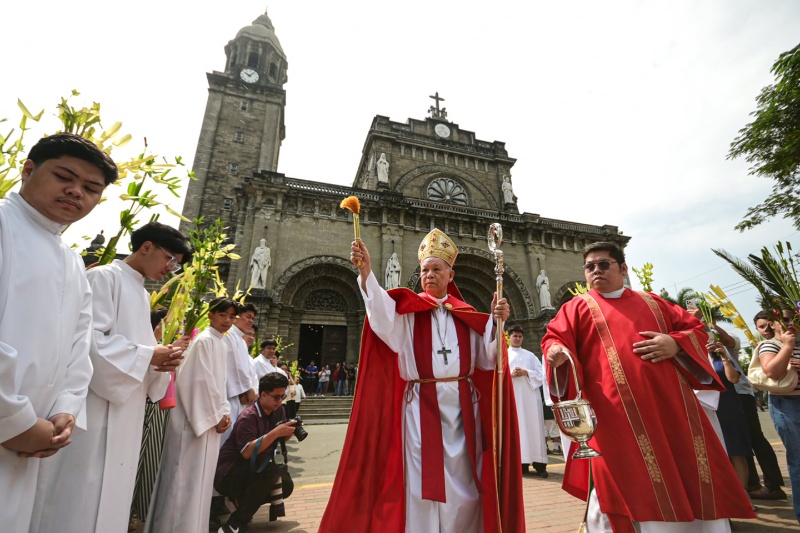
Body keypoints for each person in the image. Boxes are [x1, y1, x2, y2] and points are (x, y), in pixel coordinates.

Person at [320, 228, 524, 533]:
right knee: (420, 484)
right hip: (419, 411)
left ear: (450, 275)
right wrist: (366, 273)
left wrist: (498, 323)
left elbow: (487, 359)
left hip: (462, 411)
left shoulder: (467, 316)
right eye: (425, 269)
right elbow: (380, 313)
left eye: (436, 269)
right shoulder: (407, 314)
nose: (429, 274)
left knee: (464, 484)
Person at [543, 241, 754, 532]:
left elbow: (696, 331)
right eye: (590, 267)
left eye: (604, 264)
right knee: (619, 480)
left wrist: (675, 344)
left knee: (686, 469)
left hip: (670, 407)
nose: (596, 271)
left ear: (623, 268)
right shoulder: (577, 308)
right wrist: (554, 351)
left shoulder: (653, 303)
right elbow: (554, 338)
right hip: (613, 415)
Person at [31, 222, 190, 532]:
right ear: (146, 247)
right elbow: (88, 342)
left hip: (125, 408)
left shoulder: (140, 293)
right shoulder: (103, 277)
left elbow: (136, 349)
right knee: (80, 497)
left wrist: (159, 361)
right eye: (170, 259)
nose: (170, 269)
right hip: (96, 404)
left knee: (112, 496)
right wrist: (147, 355)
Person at [0, 133, 117, 532]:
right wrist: (15, 421)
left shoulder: (70, 261)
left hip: (36, 440)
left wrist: (65, 409)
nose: (76, 192)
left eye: (91, 188)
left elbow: (77, 348)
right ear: (28, 169)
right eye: (65, 177)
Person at [144, 298, 235, 533]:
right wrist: (216, 415)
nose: (227, 321)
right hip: (193, 422)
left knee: (199, 485)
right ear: (211, 315)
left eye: (232, 317)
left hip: (210, 421)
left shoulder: (221, 344)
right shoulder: (203, 341)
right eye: (223, 315)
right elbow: (196, 382)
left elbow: (220, 383)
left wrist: (224, 411)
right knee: (182, 482)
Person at [216, 373, 298, 532]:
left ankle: (241, 505)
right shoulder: (249, 416)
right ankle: (235, 523)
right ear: (263, 394)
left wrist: (288, 432)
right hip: (227, 473)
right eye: (276, 397)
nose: (280, 401)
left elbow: (280, 440)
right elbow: (247, 453)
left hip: (252, 468)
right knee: (270, 473)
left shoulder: (278, 410)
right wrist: (275, 432)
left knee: (285, 484)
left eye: (283, 396)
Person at [755, 310, 800, 523]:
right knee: (798, 461)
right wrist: (788, 346)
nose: (790, 323)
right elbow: (772, 372)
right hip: (788, 404)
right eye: (785, 320)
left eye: (793, 318)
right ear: (775, 324)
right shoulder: (771, 345)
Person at [507, 325, 549, 478]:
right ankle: (521, 464)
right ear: (509, 337)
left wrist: (526, 372)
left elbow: (542, 374)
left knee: (534, 429)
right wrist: (509, 375)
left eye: (519, 336)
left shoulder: (530, 356)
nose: (517, 338)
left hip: (530, 399)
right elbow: (498, 375)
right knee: (518, 430)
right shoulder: (504, 355)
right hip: (514, 398)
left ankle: (540, 464)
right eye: (514, 336)